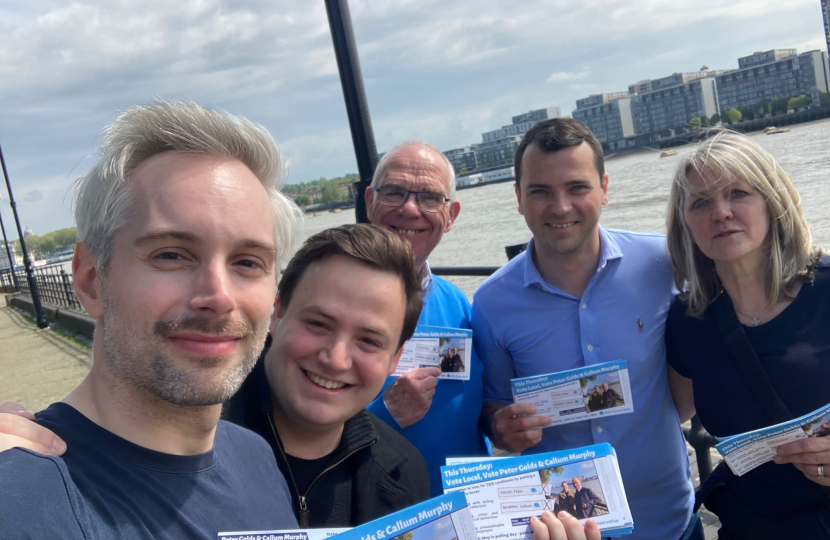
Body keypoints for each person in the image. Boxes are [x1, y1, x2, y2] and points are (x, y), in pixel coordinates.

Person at [0, 100, 299, 538]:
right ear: (89, 280)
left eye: (248, 262)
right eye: (172, 255)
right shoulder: (24, 505)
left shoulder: (257, 457)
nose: (218, 296)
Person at [473, 118, 700, 540]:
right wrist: (500, 425)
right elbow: (493, 407)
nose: (560, 207)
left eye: (577, 188)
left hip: (670, 522)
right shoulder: (491, 303)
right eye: (541, 191)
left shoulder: (662, 263)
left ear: (605, 188)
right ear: (519, 198)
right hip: (566, 532)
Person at [664, 130, 830, 539]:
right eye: (701, 202)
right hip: (752, 526)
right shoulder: (688, 321)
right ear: (686, 224)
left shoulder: (826, 290)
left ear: (773, 203)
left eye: (738, 193)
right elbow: (669, 411)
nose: (720, 212)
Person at [223, 224, 430, 527]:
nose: (335, 360)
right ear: (277, 315)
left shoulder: (406, 473)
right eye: (318, 324)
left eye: (369, 341)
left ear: (395, 358)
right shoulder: (185, 438)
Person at [365, 141, 489, 495]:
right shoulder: (328, 304)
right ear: (370, 200)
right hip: (385, 516)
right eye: (394, 192)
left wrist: (501, 423)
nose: (409, 208)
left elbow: (474, 409)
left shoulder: (459, 304)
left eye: (430, 198)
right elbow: (296, 429)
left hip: (467, 512)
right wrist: (385, 412)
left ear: (451, 216)